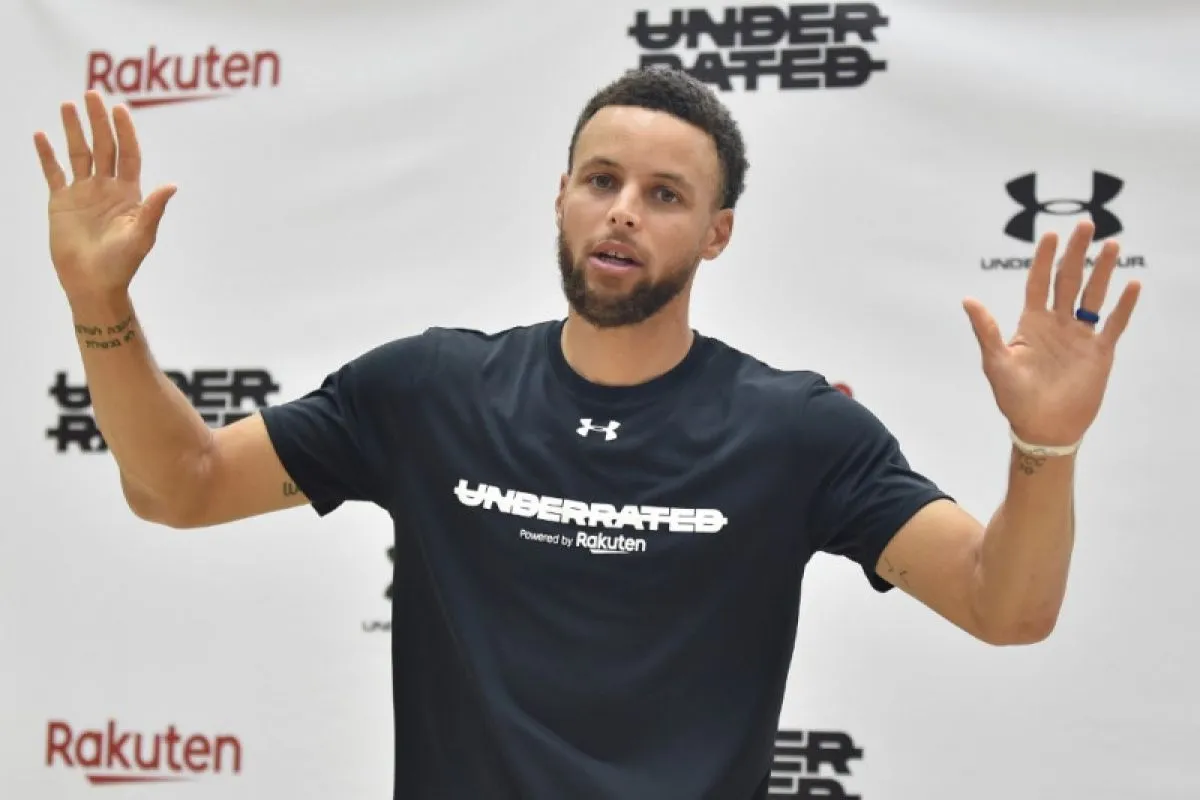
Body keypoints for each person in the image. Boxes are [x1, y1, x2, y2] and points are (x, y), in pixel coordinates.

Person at [33, 66, 1140, 799]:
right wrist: (100, 303)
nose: (623, 210)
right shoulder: (428, 390)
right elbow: (177, 485)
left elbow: (1006, 605)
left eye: (665, 195)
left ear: (717, 233)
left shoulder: (795, 431)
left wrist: (1045, 449)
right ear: (560, 194)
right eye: (603, 180)